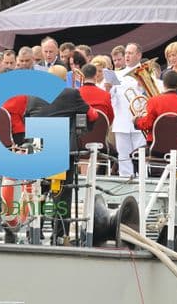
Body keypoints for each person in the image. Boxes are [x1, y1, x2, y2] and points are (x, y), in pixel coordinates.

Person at [34, 65, 98, 243]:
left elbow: (26, 118)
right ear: (64, 80)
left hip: (38, 149)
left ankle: (35, 230)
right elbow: (92, 115)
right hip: (62, 149)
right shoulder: (70, 93)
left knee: (38, 191)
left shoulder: (33, 95)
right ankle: (60, 234)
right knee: (63, 194)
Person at [110, 43, 146, 177]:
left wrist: (142, 87)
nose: (127, 56)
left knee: (140, 156)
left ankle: (143, 180)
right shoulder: (116, 74)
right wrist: (110, 89)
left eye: (130, 53)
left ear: (139, 55)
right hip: (121, 120)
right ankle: (125, 179)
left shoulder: (145, 71)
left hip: (138, 121)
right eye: (126, 53)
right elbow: (112, 100)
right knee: (123, 156)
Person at [134, 70, 177, 146]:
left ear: (163, 84)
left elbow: (146, 124)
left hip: (157, 147)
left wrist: (136, 121)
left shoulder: (153, 101)